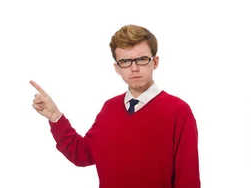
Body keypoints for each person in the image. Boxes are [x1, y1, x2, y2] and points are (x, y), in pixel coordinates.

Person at [30, 24, 200, 188]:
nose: (134, 68)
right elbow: (82, 154)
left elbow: (188, 178)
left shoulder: (178, 111)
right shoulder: (109, 109)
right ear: (117, 68)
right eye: (125, 61)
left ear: (155, 62)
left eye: (141, 59)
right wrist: (55, 117)